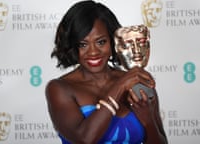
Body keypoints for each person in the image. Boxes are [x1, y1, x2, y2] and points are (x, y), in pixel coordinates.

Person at [45, 0, 168, 143]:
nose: (93, 52)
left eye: (101, 42)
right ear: (72, 47)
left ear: (113, 42)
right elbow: (84, 139)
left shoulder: (136, 82)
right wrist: (119, 86)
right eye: (83, 44)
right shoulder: (59, 89)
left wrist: (148, 120)